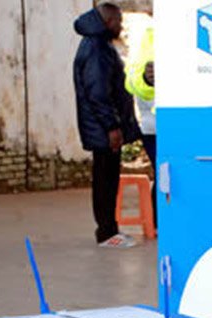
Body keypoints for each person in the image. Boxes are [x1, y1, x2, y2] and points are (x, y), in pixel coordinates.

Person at [73, 3, 142, 248]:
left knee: (108, 179)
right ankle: (106, 233)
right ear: (107, 20)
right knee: (105, 180)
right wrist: (112, 127)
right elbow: (98, 92)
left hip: (102, 127)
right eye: (118, 21)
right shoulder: (96, 48)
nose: (121, 26)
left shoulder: (98, 45)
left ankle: (109, 229)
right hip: (103, 130)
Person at [125, 19, 157, 231]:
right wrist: (147, 80)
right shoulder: (148, 38)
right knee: (165, 175)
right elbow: (133, 82)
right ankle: (158, 223)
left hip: (182, 126)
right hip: (154, 127)